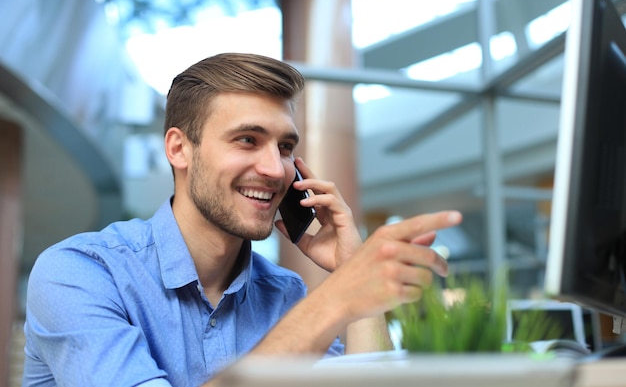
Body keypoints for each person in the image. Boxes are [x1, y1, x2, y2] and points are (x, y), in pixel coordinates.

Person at [22, 53, 462, 387]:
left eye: (286, 147)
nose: (275, 169)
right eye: (248, 140)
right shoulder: (79, 272)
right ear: (179, 149)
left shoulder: (285, 296)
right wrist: (336, 301)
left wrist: (357, 282)